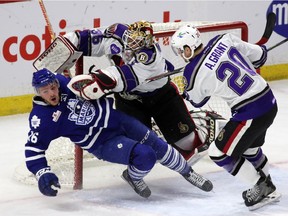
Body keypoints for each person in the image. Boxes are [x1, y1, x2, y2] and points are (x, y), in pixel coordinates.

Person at [24, 68, 213, 198]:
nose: (51, 92)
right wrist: (42, 173)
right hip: (102, 142)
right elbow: (33, 150)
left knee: (157, 144)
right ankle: (133, 176)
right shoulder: (41, 119)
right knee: (146, 156)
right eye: (45, 90)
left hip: (117, 120)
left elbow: (84, 84)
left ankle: (188, 172)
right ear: (38, 92)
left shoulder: (65, 84)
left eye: (53, 87)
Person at [64, 21, 220, 166]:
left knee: (188, 146)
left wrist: (98, 80)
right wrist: (72, 41)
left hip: (160, 96)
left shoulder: (150, 58)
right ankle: (156, 130)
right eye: (132, 38)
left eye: (138, 41)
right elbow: (95, 39)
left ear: (147, 42)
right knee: (140, 152)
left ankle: (202, 121)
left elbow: (124, 76)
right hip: (129, 101)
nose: (132, 43)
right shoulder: (118, 35)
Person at [170, 24, 281, 210]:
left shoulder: (192, 72)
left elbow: (197, 101)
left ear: (187, 49)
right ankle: (267, 184)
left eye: (181, 50)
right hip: (269, 102)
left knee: (218, 152)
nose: (181, 54)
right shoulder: (224, 39)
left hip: (250, 112)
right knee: (250, 150)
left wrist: (187, 90)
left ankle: (261, 187)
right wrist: (259, 52)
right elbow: (260, 56)